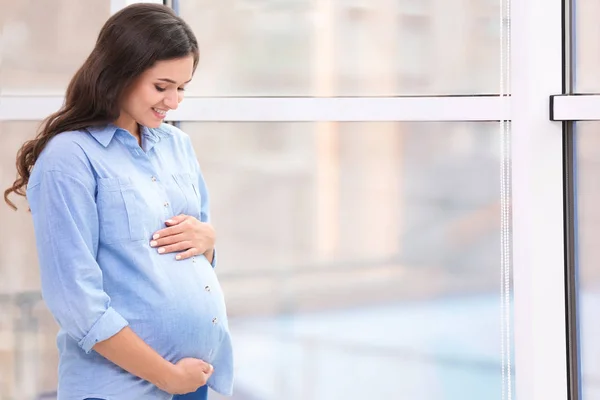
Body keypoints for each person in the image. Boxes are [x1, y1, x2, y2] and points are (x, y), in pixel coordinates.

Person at [3, 4, 233, 400]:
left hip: (190, 383)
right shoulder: (69, 159)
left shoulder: (178, 145)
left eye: (182, 88)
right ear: (120, 73)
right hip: (120, 390)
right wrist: (166, 377)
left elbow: (195, 255)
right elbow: (76, 302)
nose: (174, 102)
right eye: (161, 87)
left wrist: (208, 243)